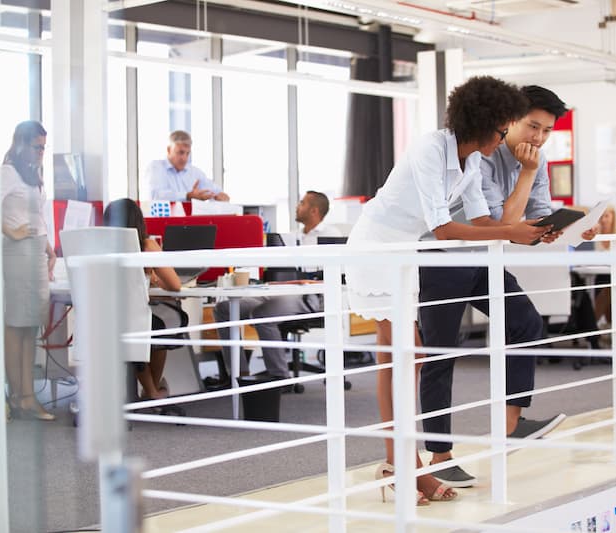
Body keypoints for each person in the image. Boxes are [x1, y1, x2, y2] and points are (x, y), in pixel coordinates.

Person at [345, 76, 550, 504]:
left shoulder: (471, 160)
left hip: (405, 254)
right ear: (482, 122)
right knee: (403, 359)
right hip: (378, 248)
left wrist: (526, 230)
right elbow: (442, 228)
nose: (504, 138)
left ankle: (402, 465)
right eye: (502, 129)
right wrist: (514, 230)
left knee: (407, 359)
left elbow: (481, 224)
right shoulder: (430, 149)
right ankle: (403, 467)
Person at [421, 85, 579, 488]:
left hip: (482, 258)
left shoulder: (528, 159)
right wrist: (526, 174)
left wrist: (575, 226)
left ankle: (510, 425)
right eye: (533, 127)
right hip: (440, 260)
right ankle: (439, 455)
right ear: (508, 121)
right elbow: (501, 223)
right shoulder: (483, 156)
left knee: (525, 322)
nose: (538, 139)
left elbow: (537, 216)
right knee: (441, 354)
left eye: (546, 131)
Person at [214, 191, 340, 380]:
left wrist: (305, 276)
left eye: (302, 203)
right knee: (223, 309)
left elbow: (333, 275)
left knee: (262, 314)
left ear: (314, 210)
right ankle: (239, 374)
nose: (298, 206)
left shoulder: (330, 236)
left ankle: (280, 377)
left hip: (309, 295)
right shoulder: (292, 236)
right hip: (279, 289)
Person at [102, 198, 185, 401]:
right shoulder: (147, 246)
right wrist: (158, 281)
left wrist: (148, 279)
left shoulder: (100, 246)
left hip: (104, 320)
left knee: (144, 328)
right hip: (135, 320)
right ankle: (152, 392)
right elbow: (175, 285)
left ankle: (150, 391)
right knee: (161, 324)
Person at [1, 120, 57, 421]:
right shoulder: (7, 172)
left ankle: (27, 394)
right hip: (17, 252)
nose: (41, 153)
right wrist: (10, 232)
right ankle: (19, 394)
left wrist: (49, 248)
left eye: (44, 147)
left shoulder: (33, 175)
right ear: (22, 144)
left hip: (36, 251)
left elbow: (39, 216)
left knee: (30, 325)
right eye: (37, 147)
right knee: (16, 323)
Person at [144, 130, 230, 202]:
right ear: (169, 149)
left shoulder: (195, 172)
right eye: (180, 152)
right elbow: (156, 195)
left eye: (187, 153)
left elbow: (213, 190)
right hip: (163, 220)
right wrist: (188, 195)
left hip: (190, 221)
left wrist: (219, 195)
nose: (184, 158)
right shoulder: (156, 168)